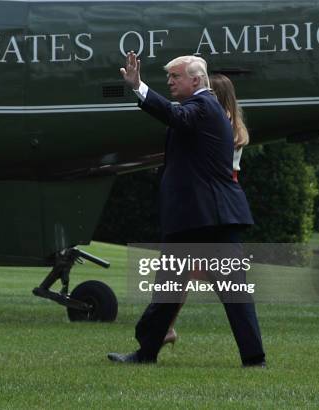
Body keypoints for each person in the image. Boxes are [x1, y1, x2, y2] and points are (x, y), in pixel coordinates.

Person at [107, 53, 266, 367]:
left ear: (196, 80)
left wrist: (139, 87)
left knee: (229, 293)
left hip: (209, 219)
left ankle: (253, 358)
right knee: (171, 289)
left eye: (175, 77)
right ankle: (147, 352)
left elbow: (173, 116)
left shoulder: (203, 106)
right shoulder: (203, 108)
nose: (169, 82)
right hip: (201, 217)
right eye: (168, 77)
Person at [163, 73, 250, 346]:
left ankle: (165, 328)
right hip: (222, 207)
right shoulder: (235, 127)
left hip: (207, 208)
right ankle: (164, 329)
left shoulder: (213, 122)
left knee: (182, 275)